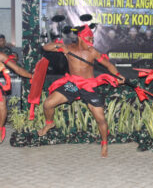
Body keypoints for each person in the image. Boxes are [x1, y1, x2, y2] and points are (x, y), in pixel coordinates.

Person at [38, 24, 125, 158]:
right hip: (73, 85)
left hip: (88, 86)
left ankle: (104, 144)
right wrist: (58, 45)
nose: (91, 41)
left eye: (92, 38)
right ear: (80, 37)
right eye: (88, 38)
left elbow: (109, 65)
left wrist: (117, 74)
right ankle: (50, 123)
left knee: (100, 118)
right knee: (47, 104)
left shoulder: (92, 52)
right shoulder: (68, 48)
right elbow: (45, 47)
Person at [0, 52, 32, 143]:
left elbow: (17, 69)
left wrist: (31, 76)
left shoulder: (1, 56)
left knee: (2, 103)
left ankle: (1, 128)